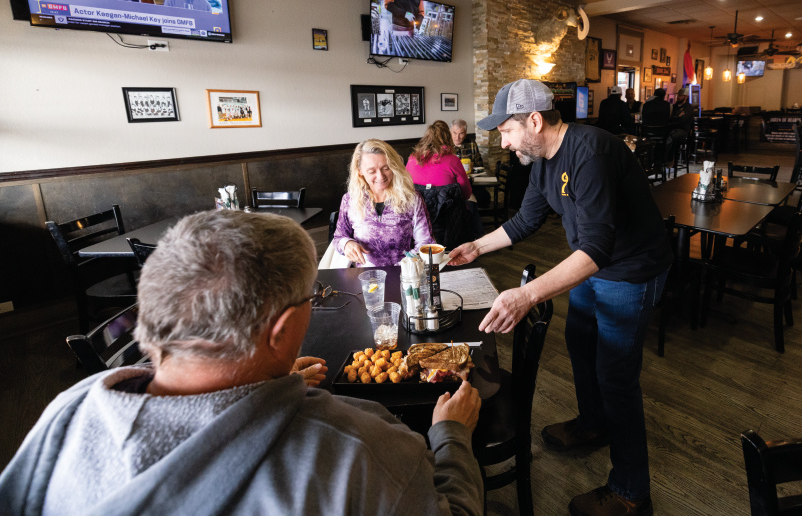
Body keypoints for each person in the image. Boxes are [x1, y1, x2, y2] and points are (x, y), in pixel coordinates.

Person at [0, 210, 483, 514]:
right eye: (308, 298)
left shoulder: (66, 411)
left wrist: (264, 377)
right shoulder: (360, 448)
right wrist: (451, 436)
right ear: (282, 332)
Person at [448, 79, 670, 516]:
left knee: (617, 378)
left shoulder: (592, 153)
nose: (504, 142)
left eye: (506, 131)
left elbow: (596, 251)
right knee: (580, 343)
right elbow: (525, 220)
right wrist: (477, 246)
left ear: (534, 121)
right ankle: (593, 424)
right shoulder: (543, 160)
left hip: (630, 271)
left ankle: (631, 492)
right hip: (593, 266)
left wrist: (525, 295)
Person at [329, 139, 434, 266]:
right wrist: (347, 244)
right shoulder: (350, 199)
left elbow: (426, 243)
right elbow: (339, 237)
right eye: (372, 171)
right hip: (365, 278)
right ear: (360, 171)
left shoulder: (411, 198)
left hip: (404, 274)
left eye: (386, 168)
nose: (381, 176)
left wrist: (401, 267)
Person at [407, 120, 473, 200]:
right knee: (472, 203)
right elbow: (466, 194)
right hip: (447, 210)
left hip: (419, 209)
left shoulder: (412, 159)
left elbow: (405, 187)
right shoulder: (453, 160)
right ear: (449, 138)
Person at [663, 86, 695, 163]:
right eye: (678, 95)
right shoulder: (674, 106)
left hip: (683, 130)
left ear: (686, 97)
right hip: (672, 129)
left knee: (672, 137)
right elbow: (669, 118)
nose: (677, 97)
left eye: (680, 96)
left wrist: (674, 118)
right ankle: (662, 159)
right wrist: (677, 116)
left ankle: (669, 159)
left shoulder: (688, 107)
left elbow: (682, 120)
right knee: (663, 135)